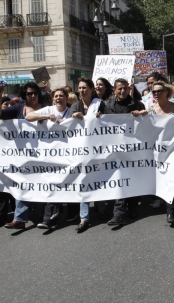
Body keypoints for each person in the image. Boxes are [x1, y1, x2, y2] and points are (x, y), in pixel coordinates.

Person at [0, 82, 46, 230]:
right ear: (24, 95)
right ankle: (19, 219)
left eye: (35, 92)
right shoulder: (18, 108)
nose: (33, 95)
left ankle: (42, 217)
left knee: (43, 185)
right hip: (23, 156)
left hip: (46, 155)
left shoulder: (46, 107)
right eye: (29, 93)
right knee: (23, 184)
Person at [24, 88, 72, 230]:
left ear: (66, 98)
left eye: (61, 96)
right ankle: (49, 219)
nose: (58, 98)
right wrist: (44, 117)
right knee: (52, 183)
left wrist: (68, 121)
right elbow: (29, 117)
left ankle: (59, 214)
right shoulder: (48, 110)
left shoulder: (70, 111)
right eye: (56, 96)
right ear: (52, 98)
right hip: (50, 156)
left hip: (67, 154)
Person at [104, 78, 147, 226]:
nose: (122, 91)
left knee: (132, 178)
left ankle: (133, 206)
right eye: (119, 89)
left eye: (125, 89)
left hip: (132, 148)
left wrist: (141, 114)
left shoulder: (137, 104)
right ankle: (119, 214)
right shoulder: (107, 106)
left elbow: (146, 124)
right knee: (120, 179)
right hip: (114, 150)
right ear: (114, 91)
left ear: (129, 90)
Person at [147, 81, 174, 224]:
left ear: (166, 92)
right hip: (157, 151)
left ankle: (171, 210)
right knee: (161, 177)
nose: (156, 94)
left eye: (159, 91)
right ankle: (164, 201)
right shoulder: (150, 109)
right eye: (154, 92)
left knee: (173, 177)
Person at [70, 78, 107, 233]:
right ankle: (84, 218)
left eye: (85, 87)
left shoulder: (100, 104)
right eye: (79, 88)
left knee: (97, 180)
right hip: (80, 152)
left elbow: (109, 124)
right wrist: (73, 117)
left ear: (92, 89)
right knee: (83, 183)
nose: (82, 90)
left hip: (97, 150)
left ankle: (101, 208)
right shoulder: (75, 106)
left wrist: (101, 117)